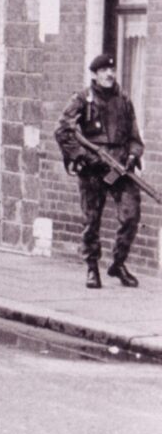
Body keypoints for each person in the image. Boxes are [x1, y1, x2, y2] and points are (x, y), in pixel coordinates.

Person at [55, 53, 144, 289]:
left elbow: (135, 137)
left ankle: (118, 264)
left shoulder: (123, 100)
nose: (109, 74)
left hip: (119, 168)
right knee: (91, 220)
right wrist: (83, 157)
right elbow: (63, 131)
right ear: (94, 74)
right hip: (93, 170)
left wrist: (133, 155)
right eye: (103, 70)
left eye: (111, 70)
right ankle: (92, 268)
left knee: (131, 215)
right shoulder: (83, 99)